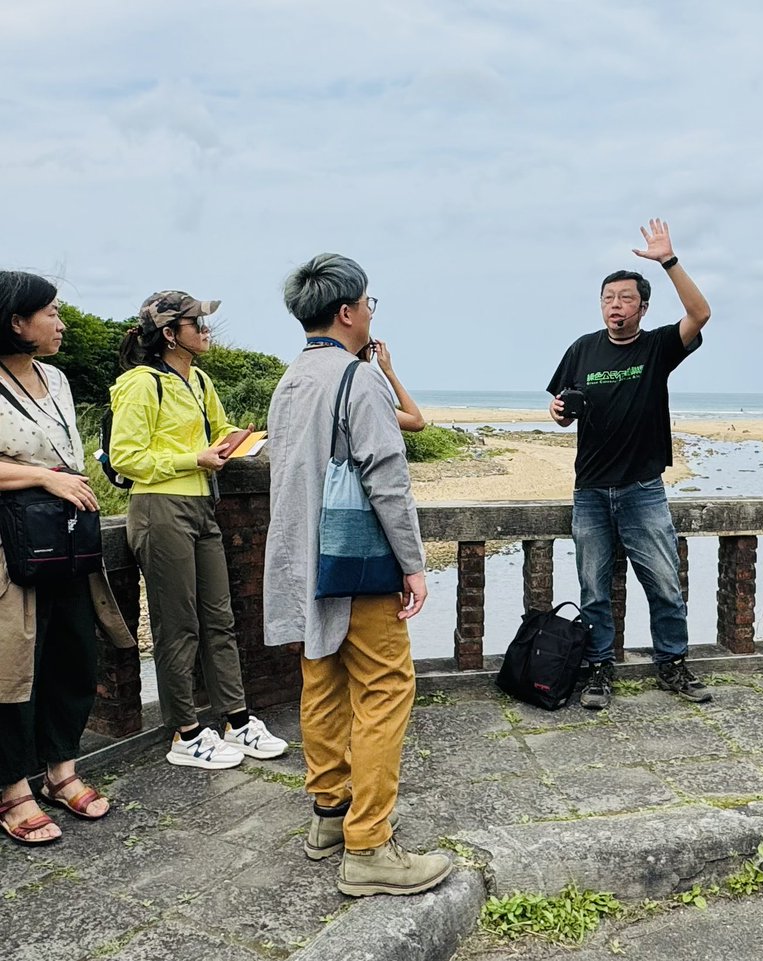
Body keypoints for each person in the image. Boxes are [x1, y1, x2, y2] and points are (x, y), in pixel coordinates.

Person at [265, 253, 451, 898]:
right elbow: (387, 482)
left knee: (321, 679)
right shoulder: (358, 380)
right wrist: (414, 565)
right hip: (356, 561)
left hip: (301, 558)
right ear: (347, 311)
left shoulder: (290, 380)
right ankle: (370, 845)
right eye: (370, 301)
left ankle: (328, 817)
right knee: (384, 689)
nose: (372, 311)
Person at [108, 292, 287, 770]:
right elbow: (126, 457)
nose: (207, 330)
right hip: (160, 508)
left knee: (220, 619)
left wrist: (241, 439)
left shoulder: (200, 379)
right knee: (177, 625)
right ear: (170, 334)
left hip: (203, 506)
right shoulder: (140, 383)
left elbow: (217, 427)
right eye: (197, 323)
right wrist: (195, 459)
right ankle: (185, 733)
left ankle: (236, 718)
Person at [547, 219, 712, 710]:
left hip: (643, 489)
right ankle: (599, 670)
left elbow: (700, 313)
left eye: (623, 298)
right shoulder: (582, 348)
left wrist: (668, 260)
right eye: (607, 298)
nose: (614, 305)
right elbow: (560, 406)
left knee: (664, 585)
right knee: (593, 589)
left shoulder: (658, 347)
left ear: (642, 305)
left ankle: (672, 664)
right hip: (591, 491)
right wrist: (557, 413)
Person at [0, 271, 136, 846]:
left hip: (66, 542)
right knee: (14, 669)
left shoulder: (54, 379)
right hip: (10, 549)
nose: (60, 322)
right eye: (50, 312)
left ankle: (61, 770)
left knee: (71, 653)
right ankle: (13, 791)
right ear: (16, 321)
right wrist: (40, 478)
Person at [358, 339, 425, 432]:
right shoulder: (364, 391)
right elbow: (417, 422)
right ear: (365, 351)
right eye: (371, 347)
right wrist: (388, 370)